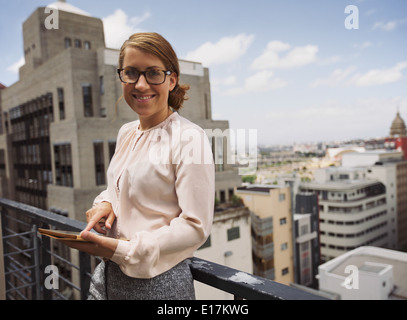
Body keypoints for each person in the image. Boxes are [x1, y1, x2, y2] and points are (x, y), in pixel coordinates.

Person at [62, 32, 215, 300]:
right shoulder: (127, 132)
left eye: (153, 73)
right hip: (107, 276)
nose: (141, 84)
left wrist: (124, 250)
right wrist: (105, 203)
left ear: (172, 79)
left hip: (158, 284)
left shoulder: (189, 137)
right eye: (131, 73)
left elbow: (196, 226)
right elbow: (118, 186)